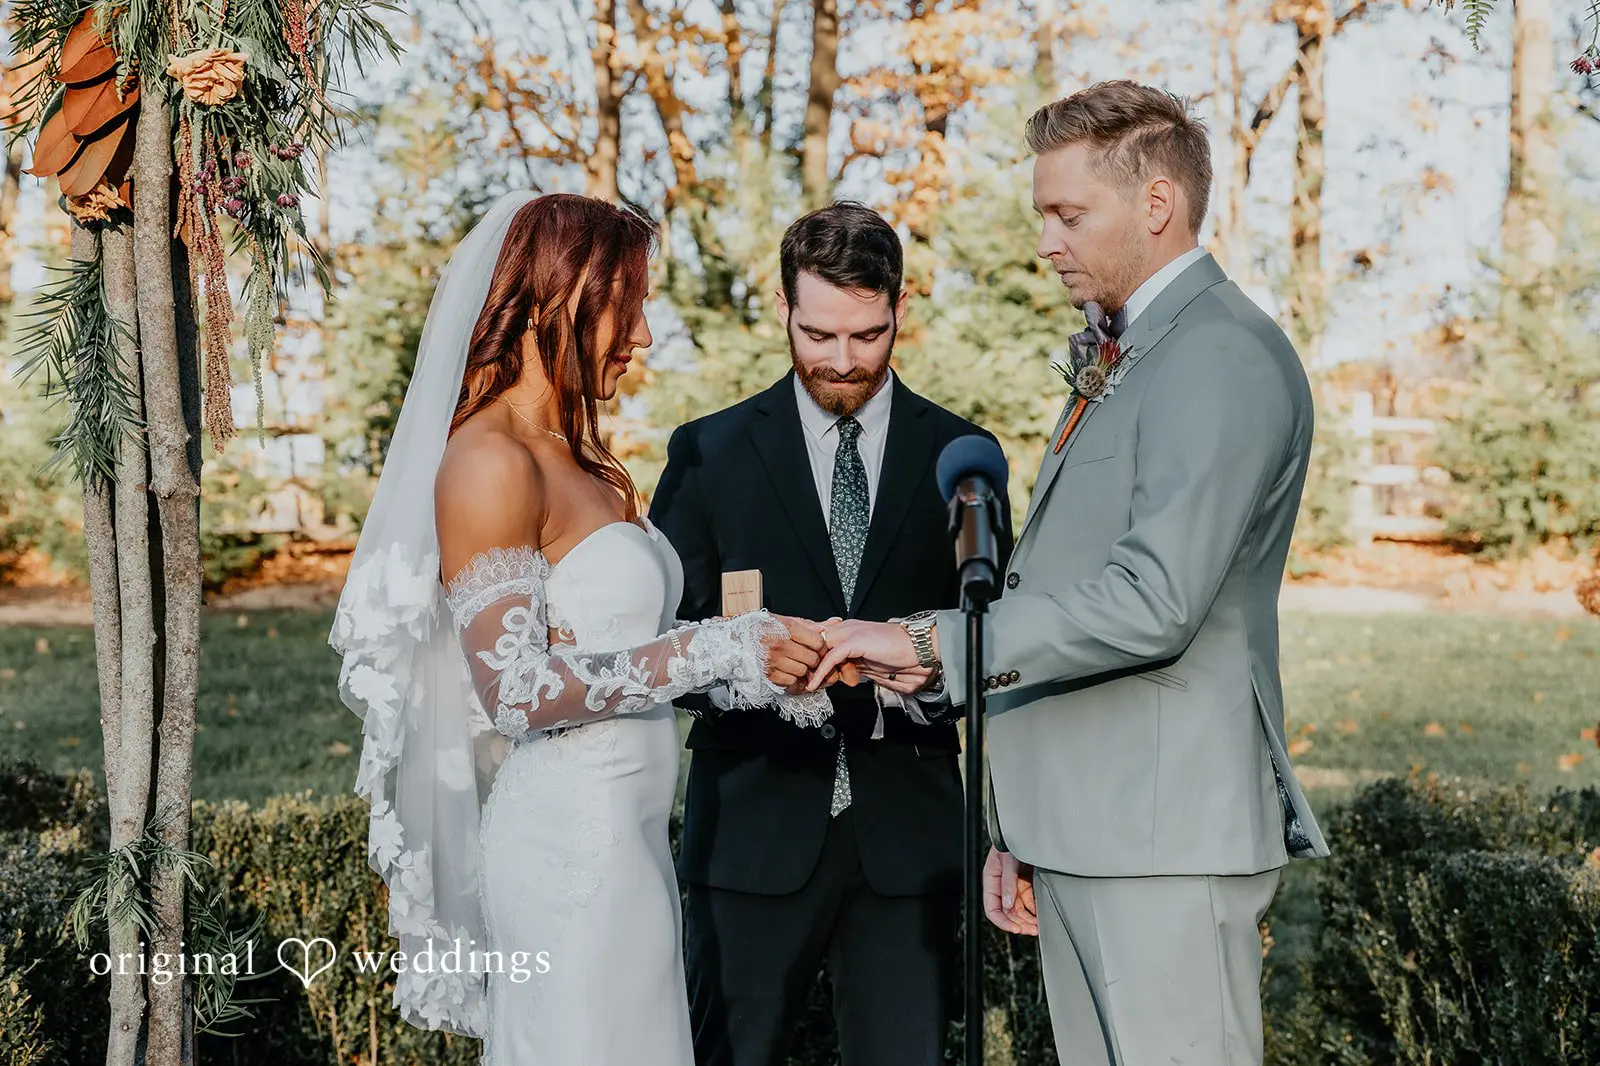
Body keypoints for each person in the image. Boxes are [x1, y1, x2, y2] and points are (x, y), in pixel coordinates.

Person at [806, 81, 1329, 1066]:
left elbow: (1152, 603)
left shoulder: (1216, 355)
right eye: (1042, 214)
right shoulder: (1122, 351)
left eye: (1067, 214)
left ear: (1157, 205)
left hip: (1163, 842)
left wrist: (929, 643)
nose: (1046, 241)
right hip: (1094, 832)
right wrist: (1025, 825)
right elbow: (1063, 581)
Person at [330, 191, 832, 1065]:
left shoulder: (582, 456)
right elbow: (516, 692)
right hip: (571, 856)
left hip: (629, 845)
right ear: (554, 303)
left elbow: (620, 646)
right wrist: (707, 646)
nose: (640, 339)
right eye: (626, 312)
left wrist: (759, 665)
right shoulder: (490, 463)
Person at [650, 202, 1012, 1066]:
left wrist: (926, 674)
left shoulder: (962, 455)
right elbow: (661, 645)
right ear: (783, 309)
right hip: (750, 833)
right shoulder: (708, 452)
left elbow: (1001, 638)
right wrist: (752, 663)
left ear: (899, 311)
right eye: (818, 334)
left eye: (867, 335)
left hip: (909, 842)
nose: (843, 361)